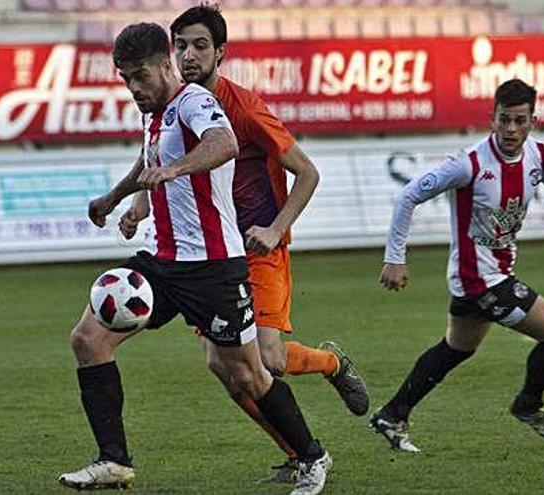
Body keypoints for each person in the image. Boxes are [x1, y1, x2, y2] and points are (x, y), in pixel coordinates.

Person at [58, 23, 332, 495]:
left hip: (213, 266)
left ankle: (312, 456)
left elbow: (224, 144)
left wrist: (177, 169)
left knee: (245, 373)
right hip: (163, 262)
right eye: (125, 79)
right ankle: (113, 461)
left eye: (140, 76)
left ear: (166, 64)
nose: (133, 88)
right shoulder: (155, 114)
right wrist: (113, 198)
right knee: (87, 339)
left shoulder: (195, 102)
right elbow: (148, 162)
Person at [117, 5, 368, 485]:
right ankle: (298, 455)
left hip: (257, 248)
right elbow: (161, 164)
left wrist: (275, 230)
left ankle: (331, 363)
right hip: (209, 256)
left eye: (200, 46)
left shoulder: (245, 108)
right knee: (225, 368)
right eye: (181, 46)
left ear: (220, 53)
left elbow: (308, 172)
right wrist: (138, 208)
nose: (189, 56)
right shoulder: (170, 108)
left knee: (268, 359)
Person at [370, 78, 544, 452]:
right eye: (504, 120)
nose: (511, 129)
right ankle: (528, 404)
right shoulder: (470, 163)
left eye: (519, 121)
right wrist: (394, 258)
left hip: (491, 274)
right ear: (492, 119)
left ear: (532, 121)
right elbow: (408, 196)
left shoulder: (539, 157)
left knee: (455, 349)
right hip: (480, 280)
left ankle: (393, 414)